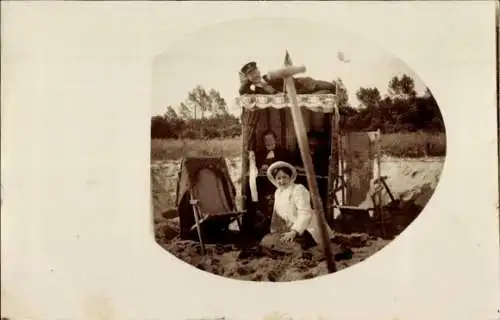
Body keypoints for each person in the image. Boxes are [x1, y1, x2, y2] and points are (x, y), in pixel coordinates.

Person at [266, 161, 336, 248]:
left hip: (308, 227)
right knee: (271, 242)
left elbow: (305, 213)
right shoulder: (278, 192)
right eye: (278, 178)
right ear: (274, 180)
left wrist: (294, 231)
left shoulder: (298, 189)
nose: (282, 181)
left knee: (294, 246)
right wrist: (275, 231)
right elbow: (276, 215)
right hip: (292, 228)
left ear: (290, 177)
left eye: (284, 177)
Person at [238, 61, 336, 95]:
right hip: (301, 95)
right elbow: (241, 90)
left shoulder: (269, 76)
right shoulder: (255, 90)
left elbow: (283, 72)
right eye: (250, 74)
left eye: (255, 71)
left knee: (331, 87)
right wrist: (248, 80)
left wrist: (299, 69)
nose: (254, 75)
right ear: (247, 77)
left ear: (259, 70)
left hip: (304, 84)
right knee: (327, 94)